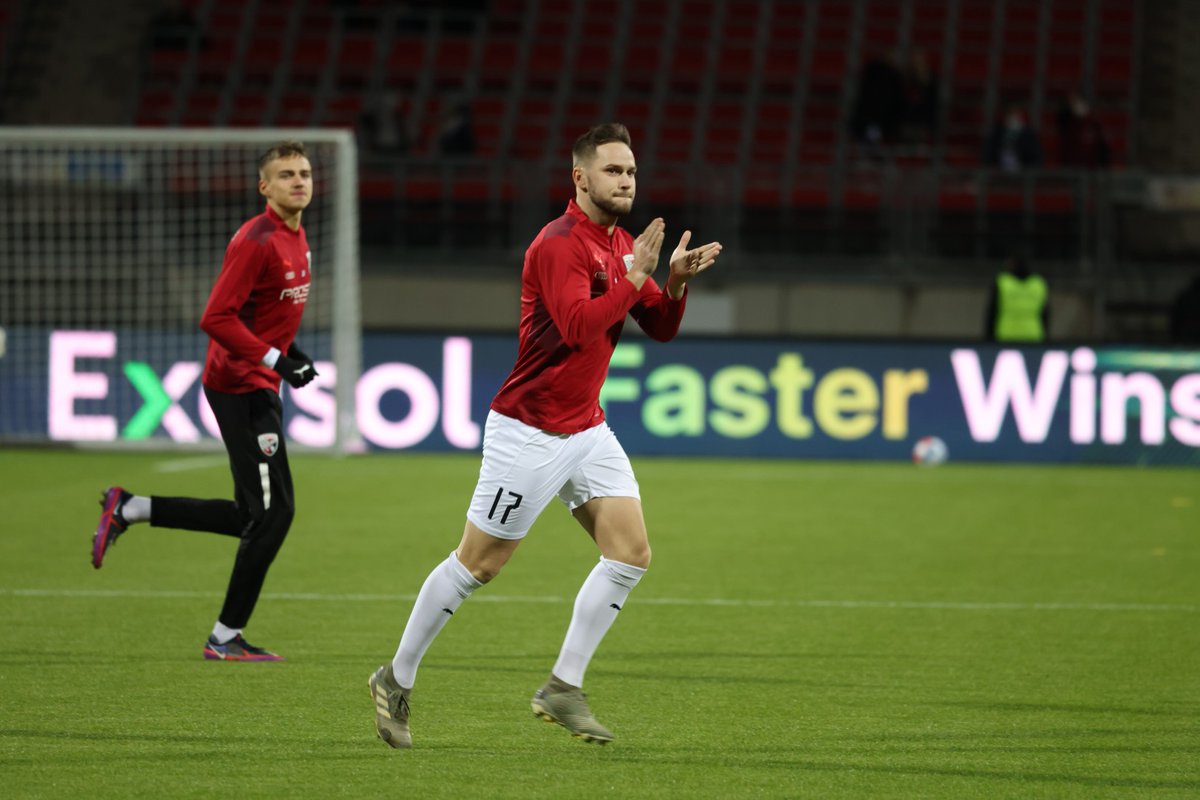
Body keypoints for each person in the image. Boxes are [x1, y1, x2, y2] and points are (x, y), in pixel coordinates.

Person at [368, 122, 722, 748]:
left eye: (632, 171)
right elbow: (581, 327)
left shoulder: (618, 247)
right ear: (580, 177)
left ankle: (563, 686)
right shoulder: (558, 244)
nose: (627, 181)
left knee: (630, 552)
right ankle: (395, 677)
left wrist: (671, 282)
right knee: (479, 563)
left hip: (585, 426)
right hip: (529, 431)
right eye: (614, 171)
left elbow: (659, 328)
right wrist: (637, 276)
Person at [91, 140, 321, 662]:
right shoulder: (257, 239)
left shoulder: (297, 235)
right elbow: (216, 317)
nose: (298, 181)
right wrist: (276, 361)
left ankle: (131, 507)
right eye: (286, 174)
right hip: (240, 386)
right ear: (265, 186)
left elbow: (268, 313)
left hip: (258, 380)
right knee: (273, 515)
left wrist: (294, 354)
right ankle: (224, 637)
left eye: (304, 172)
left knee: (253, 513)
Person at [984, 254, 1049, 342]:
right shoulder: (1038, 284)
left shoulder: (1002, 282)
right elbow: (1045, 313)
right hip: (1033, 335)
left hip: (1006, 335)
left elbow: (992, 311)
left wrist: (988, 338)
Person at [1057, 90, 1110, 168]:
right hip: (1071, 168)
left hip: (1091, 170)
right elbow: (1060, 118)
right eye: (1074, 103)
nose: (1078, 105)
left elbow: (1103, 147)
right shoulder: (1068, 122)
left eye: (1080, 102)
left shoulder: (1094, 124)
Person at [984, 104, 1043, 171]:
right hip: (998, 172)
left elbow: (1036, 157)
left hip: (1023, 173)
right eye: (1011, 114)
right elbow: (988, 154)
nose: (1013, 118)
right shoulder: (996, 133)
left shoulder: (1029, 135)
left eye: (1016, 115)